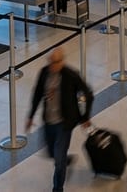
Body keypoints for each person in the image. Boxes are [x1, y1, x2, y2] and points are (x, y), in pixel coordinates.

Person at [25, 48, 94, 192]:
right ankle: (65, 159)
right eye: (50, 61)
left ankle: (58, 188)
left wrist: (84, 117)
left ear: (62, 62)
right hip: (48, 121)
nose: (52, 65)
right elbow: (37, 94)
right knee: (50, 153)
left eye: (55, 62)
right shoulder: (44, 73)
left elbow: (88, 94)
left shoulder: (71, 75)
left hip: (64, 123)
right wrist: (31, 116)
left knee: (59, 161)